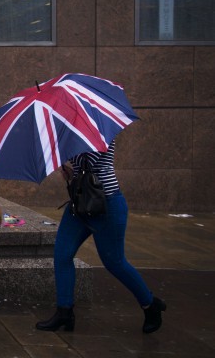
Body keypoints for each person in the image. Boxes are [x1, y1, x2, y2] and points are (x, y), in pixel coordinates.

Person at [36, 140, 167, 334]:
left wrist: (62, 152)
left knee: (114, 262)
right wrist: (69, 171)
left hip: (106, 204)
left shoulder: (97, 129)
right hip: (81, 203)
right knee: (62, 254)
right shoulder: (72, 132)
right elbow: (81, 167)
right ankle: (64, 312)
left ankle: (150, 304)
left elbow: (89, 160)